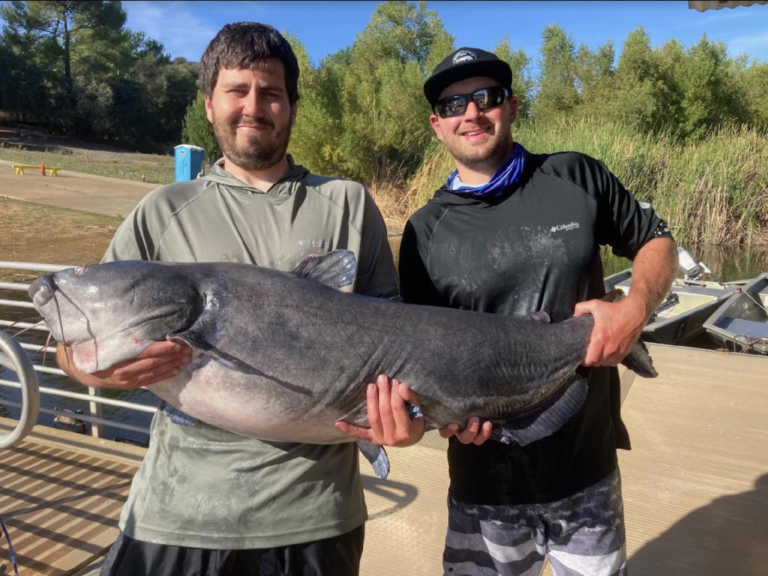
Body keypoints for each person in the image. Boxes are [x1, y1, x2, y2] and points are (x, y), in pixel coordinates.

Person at [55, 22, 422, 576]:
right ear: (208, 104)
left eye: (271, 93)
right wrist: (99, 374)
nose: (254, 107)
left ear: (293, 107)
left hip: (317, 519)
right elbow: (74, 345)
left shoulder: (347, 202)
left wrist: (409, 416)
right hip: (175, 513)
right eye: (237, 91)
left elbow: (397, 344)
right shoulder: (160, 210)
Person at [399, 47, 679, 576]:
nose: (472, 112)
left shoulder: (575, 176)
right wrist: (442, 415)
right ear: (438, 125)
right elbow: (421, 354)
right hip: (484, 490)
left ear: (512, 106)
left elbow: (657, 242)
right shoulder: (422, 231)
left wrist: (635, 307)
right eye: (454, 103)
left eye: (487, 96)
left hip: (587, 477)